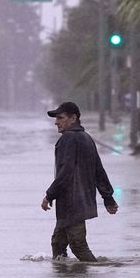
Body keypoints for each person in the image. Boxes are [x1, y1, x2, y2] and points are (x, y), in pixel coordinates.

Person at [41, 102, 119, 262]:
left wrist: (49, 195)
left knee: (78, 245)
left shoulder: (68, 139)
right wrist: (108, 197)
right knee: (58, 242)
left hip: (72, 202)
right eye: (56, 119)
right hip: (81, 201)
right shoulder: (86, 138)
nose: (56, 122)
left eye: (60, 118)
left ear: (73, 118)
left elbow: (66, 172)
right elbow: (99, 170)